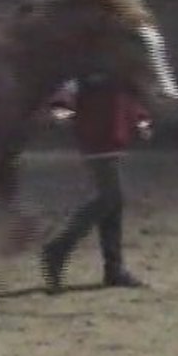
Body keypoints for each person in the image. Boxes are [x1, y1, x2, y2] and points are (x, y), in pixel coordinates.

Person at [41, 74, 153, 293]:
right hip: (97, 139)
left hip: (112, 139)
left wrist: (141, 120)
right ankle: (59, 247)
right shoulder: (91, 70)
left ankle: (114, 268)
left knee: (114, 204)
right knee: (110, 198)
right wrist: (62, 108)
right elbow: (69, 89)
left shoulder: (118, 72)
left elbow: (129, 101)